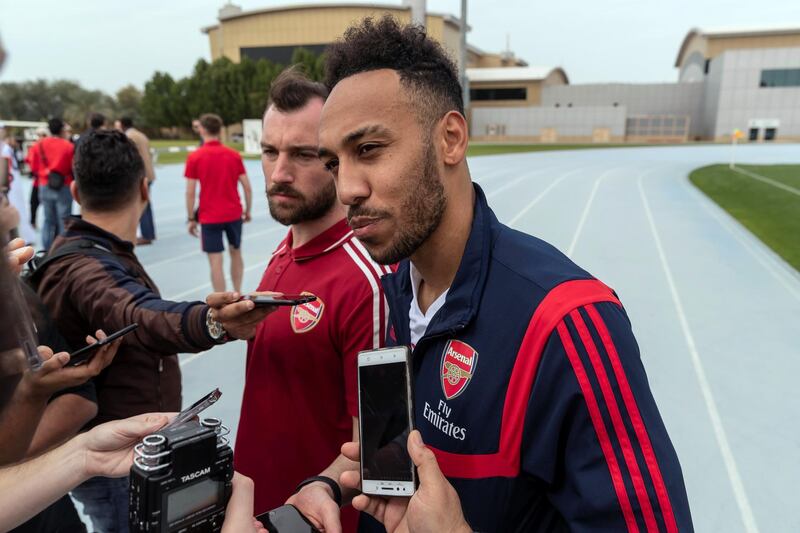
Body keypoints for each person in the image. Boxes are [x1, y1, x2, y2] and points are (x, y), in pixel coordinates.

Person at [310, 17, 694, 532]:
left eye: (369, 150)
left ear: (450, 138)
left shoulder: (569, 321)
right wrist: (328, 485)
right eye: (334, 163)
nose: (347, 190)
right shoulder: (393, 290)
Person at [35, 130, 272, 533]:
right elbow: (137, 313)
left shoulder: (91, 253)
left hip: (126, 450)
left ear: (75, 190)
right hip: (119, 461)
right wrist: (212, 322)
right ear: (145, 189)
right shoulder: (84, 267)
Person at [233, 67, 389, 530]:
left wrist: (311, 497)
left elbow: (377, 451)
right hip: (256, 510)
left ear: (337, 161)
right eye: (269, 152)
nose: (279, 173)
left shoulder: (367, 282)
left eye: (302, 155)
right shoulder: (287, 249)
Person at [185, 113, 253, 293]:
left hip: (209, 217)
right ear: (219, 130)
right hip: (233, 213)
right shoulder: (233, 155)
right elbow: (247, 187)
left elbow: (190, 192)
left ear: (202, 129)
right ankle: (237, 292)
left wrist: (191, 217)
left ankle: (222, 303)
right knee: (236, 253)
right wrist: (248, 210)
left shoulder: (195, 157)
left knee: (215, 261)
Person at [26, 118, 75, 251]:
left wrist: (43, 173)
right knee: (63, 221)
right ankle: (60, 250)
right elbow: (73, 167)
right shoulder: (68, 146)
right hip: (64, 185)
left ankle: (45, 250)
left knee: (48, 220)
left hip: (44, 184)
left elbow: (32, 165)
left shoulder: (39, 145)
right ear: (61, 130)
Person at [117, 117, 157, 245]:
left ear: (122, 125)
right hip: (148, 173)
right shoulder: (141, 135)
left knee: (140, 205)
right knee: (146, 204)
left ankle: (146, 234)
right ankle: (149, 232)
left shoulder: (129, 137)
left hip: (139, 175)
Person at [0, 126, 36, 244]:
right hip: (11, 184)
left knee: (17, 208)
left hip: (12, 183)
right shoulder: (5, 148)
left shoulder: (5, 148)